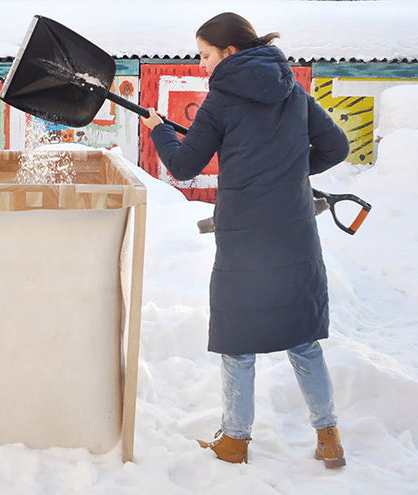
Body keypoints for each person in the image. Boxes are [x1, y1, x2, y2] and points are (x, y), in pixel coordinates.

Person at [140, 12, 350, 468]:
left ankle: (235, 441)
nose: (202, 66)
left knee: (238, 342)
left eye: (205, 55)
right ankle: (329, 438)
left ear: (229, 53)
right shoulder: (292, 90)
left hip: (245, 239)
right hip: (295, 232)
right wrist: (286, 172)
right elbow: (336, 147)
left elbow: (183, 166)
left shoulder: (221, 100)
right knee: (303, 339)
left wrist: (158, 129)